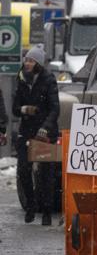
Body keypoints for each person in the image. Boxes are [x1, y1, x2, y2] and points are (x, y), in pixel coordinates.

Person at [14, 46, 59, 225]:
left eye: (31, 61)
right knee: (24, 169)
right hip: (26, 132)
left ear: (38, 63)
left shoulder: (48, 80)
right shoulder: (22, 80)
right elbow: (15, 108)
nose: (27, 63)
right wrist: (24, 109)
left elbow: (55, 108)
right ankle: (31, 205)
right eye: (26, 60)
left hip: (45, 132)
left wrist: (46, 127)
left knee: (46, 173)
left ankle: (46, 210)